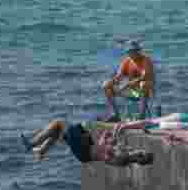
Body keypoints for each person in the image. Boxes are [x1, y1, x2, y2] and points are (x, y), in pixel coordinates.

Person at [21, 119, 153, 165]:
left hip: (84, 150)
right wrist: (108, 138)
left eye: (141, 154)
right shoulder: (125, 156)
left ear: (139, 158)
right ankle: (41, 151)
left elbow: (104, 155)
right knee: (59, 132)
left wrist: (111, 138)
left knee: (60, 123)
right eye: (142, 151)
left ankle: (32, 144)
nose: (140, 150)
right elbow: (103, 150)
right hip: (87, 147)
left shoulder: (122, 158)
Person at [102, 40, 155, 122]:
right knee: (106, 85)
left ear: (138, 51)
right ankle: (116, 115)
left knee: (143, 84)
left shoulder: (146, 60)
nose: (131, 53)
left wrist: (127, 85)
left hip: (145, 91)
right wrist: (112, 82)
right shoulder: (127, 61)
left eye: (133, 51)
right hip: (132, 91)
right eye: (129, 51)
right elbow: (119, 77)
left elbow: (144, 76)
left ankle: (142, 116)